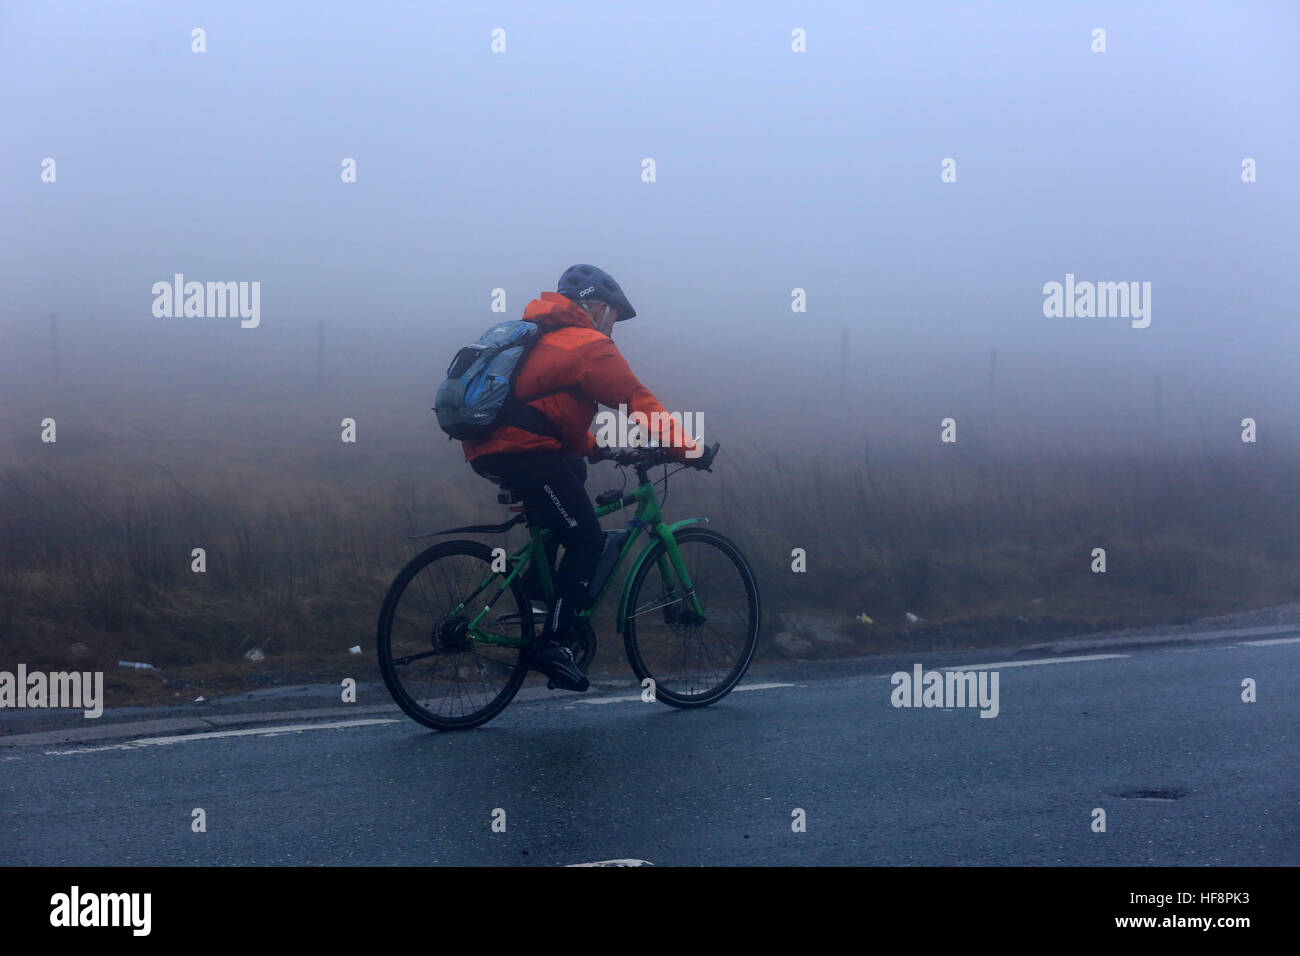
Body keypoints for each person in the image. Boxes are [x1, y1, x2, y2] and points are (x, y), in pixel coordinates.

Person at [462, 264, 707, 691]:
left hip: (488, 448)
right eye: (613, 316)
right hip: (527, 454)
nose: (613, 327)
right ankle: (554, 644)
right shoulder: (588, 344)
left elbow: (546, 409)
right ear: (596, 307)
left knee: (570, 482)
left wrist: (597, 449)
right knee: (587, 539)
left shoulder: (537, 335)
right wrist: (690, 449)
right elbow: (637, 400)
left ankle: (537, 594)